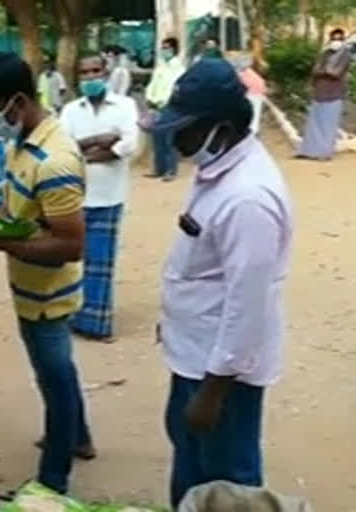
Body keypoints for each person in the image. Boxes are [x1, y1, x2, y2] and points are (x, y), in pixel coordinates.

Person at [150, 59, 293, 508]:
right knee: (192, 472)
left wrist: (212, 393)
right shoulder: (220, 171)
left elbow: (248, 305)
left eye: (186, 130)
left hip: (221, 375)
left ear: (222, 127)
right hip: (194, 354)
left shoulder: (248, 198)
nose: (176, 139)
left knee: (229, 484)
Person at [0, 52, 95, 497]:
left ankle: (52, 480)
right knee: (56, 372)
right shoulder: (25, 139)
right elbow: (18, 210)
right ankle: (79, 436)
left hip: (49, 295)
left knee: (53, 379)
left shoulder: (54, 160)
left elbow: (69, 245)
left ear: (17, 102)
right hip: (28, 285)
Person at [59, 55, 139, 341]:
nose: (91, 77)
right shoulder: (70, 111)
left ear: (105, 73)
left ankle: (98, 324)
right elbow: (64, 148)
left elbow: (129, 143)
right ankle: (76, 314)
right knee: (69, 259)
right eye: (84, 73)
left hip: (109, 194)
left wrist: (94, 152)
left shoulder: (124, 106)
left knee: (101, 262)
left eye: (95, 71)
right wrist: (100, 140)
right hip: (74, 196)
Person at [297, 28, 352, 160]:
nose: (336, 41)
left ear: (343, 40)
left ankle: (324, 153)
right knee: (314, 124)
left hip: (334, 94)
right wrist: (324, 71)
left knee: (329, 125)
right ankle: (308, 152)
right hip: (319, 93)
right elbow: (315, 70)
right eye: (334, 39)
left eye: (339, 39)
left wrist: (323, 71)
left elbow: (335, 73)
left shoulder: (346, 55)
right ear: (330, 39)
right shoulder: (325, 53)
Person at [145, 37, 185, 181]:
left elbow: (175, 89)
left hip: (169, 107)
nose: (164, 50)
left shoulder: (179, 69)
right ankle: (159, 169)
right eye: (163, 48)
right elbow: (152, 85)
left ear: (174, 50)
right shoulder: (160, 67)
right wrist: (149, 98)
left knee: (169, 140)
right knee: (157, 140)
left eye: (167, 48)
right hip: (155, 106)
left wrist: (166, 101)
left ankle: (170, 170)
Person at [234, 56, 267, 134]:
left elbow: (238, 86)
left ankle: (250, 130)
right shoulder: (251, 73)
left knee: (250, 112)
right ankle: (254, 130)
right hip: (259, 94)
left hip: (251, 94)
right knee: (256, 112)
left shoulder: (241, 74)